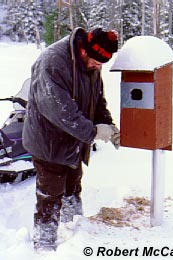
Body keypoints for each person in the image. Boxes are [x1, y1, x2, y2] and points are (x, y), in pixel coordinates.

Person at [22, 27, 120, 251]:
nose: (98, 67)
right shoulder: (53, 63)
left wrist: (109, 125)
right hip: (48, 142)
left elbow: (97, 101)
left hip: (73, 142)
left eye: (102, 63)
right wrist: (94, 133)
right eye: (97, 61)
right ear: (85, 50)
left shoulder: (91, 64)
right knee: (50, 196)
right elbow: (61, 112)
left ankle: (74, 228)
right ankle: (44, 244)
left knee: (73, 187)